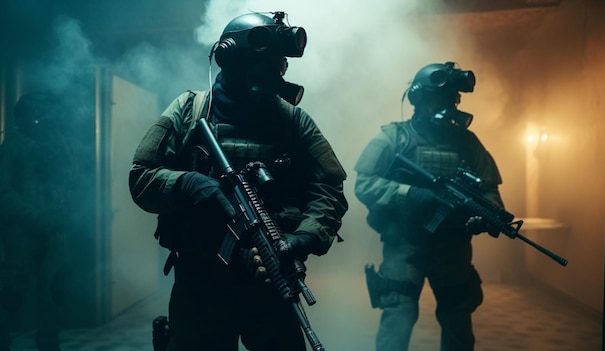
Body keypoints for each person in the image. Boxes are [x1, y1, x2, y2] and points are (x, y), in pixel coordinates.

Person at [128, 11, 348, 351]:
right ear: (228, 58)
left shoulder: (292, 120)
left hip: (268, 275)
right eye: (262, 65)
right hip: (201, 279)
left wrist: (305, 237)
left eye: (279, 64)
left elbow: (329, 186)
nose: (274, 74)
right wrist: (188, 184)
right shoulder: (190, 110)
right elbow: (142, 178)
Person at [354, 61, 505, 351]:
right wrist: (410, 194)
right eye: (437, 98)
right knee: (399, 314)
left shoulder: (467, 142)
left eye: (451, 98)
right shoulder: (395, 138)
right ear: (417, 99)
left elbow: (488, 189)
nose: (446, 105)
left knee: (457, 318)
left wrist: (489, 214)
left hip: (453, 245)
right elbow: (364, 183)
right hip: (406, 244)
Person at [0, 92, 80, 351]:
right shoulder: (14, 144)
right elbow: (3, 191)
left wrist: (64, 150)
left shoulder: (57, 143)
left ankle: (49, 345)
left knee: (55, 291)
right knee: (14, 291)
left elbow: (72, 180)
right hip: (21, 232)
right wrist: (35, 216)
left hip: (53, 229)